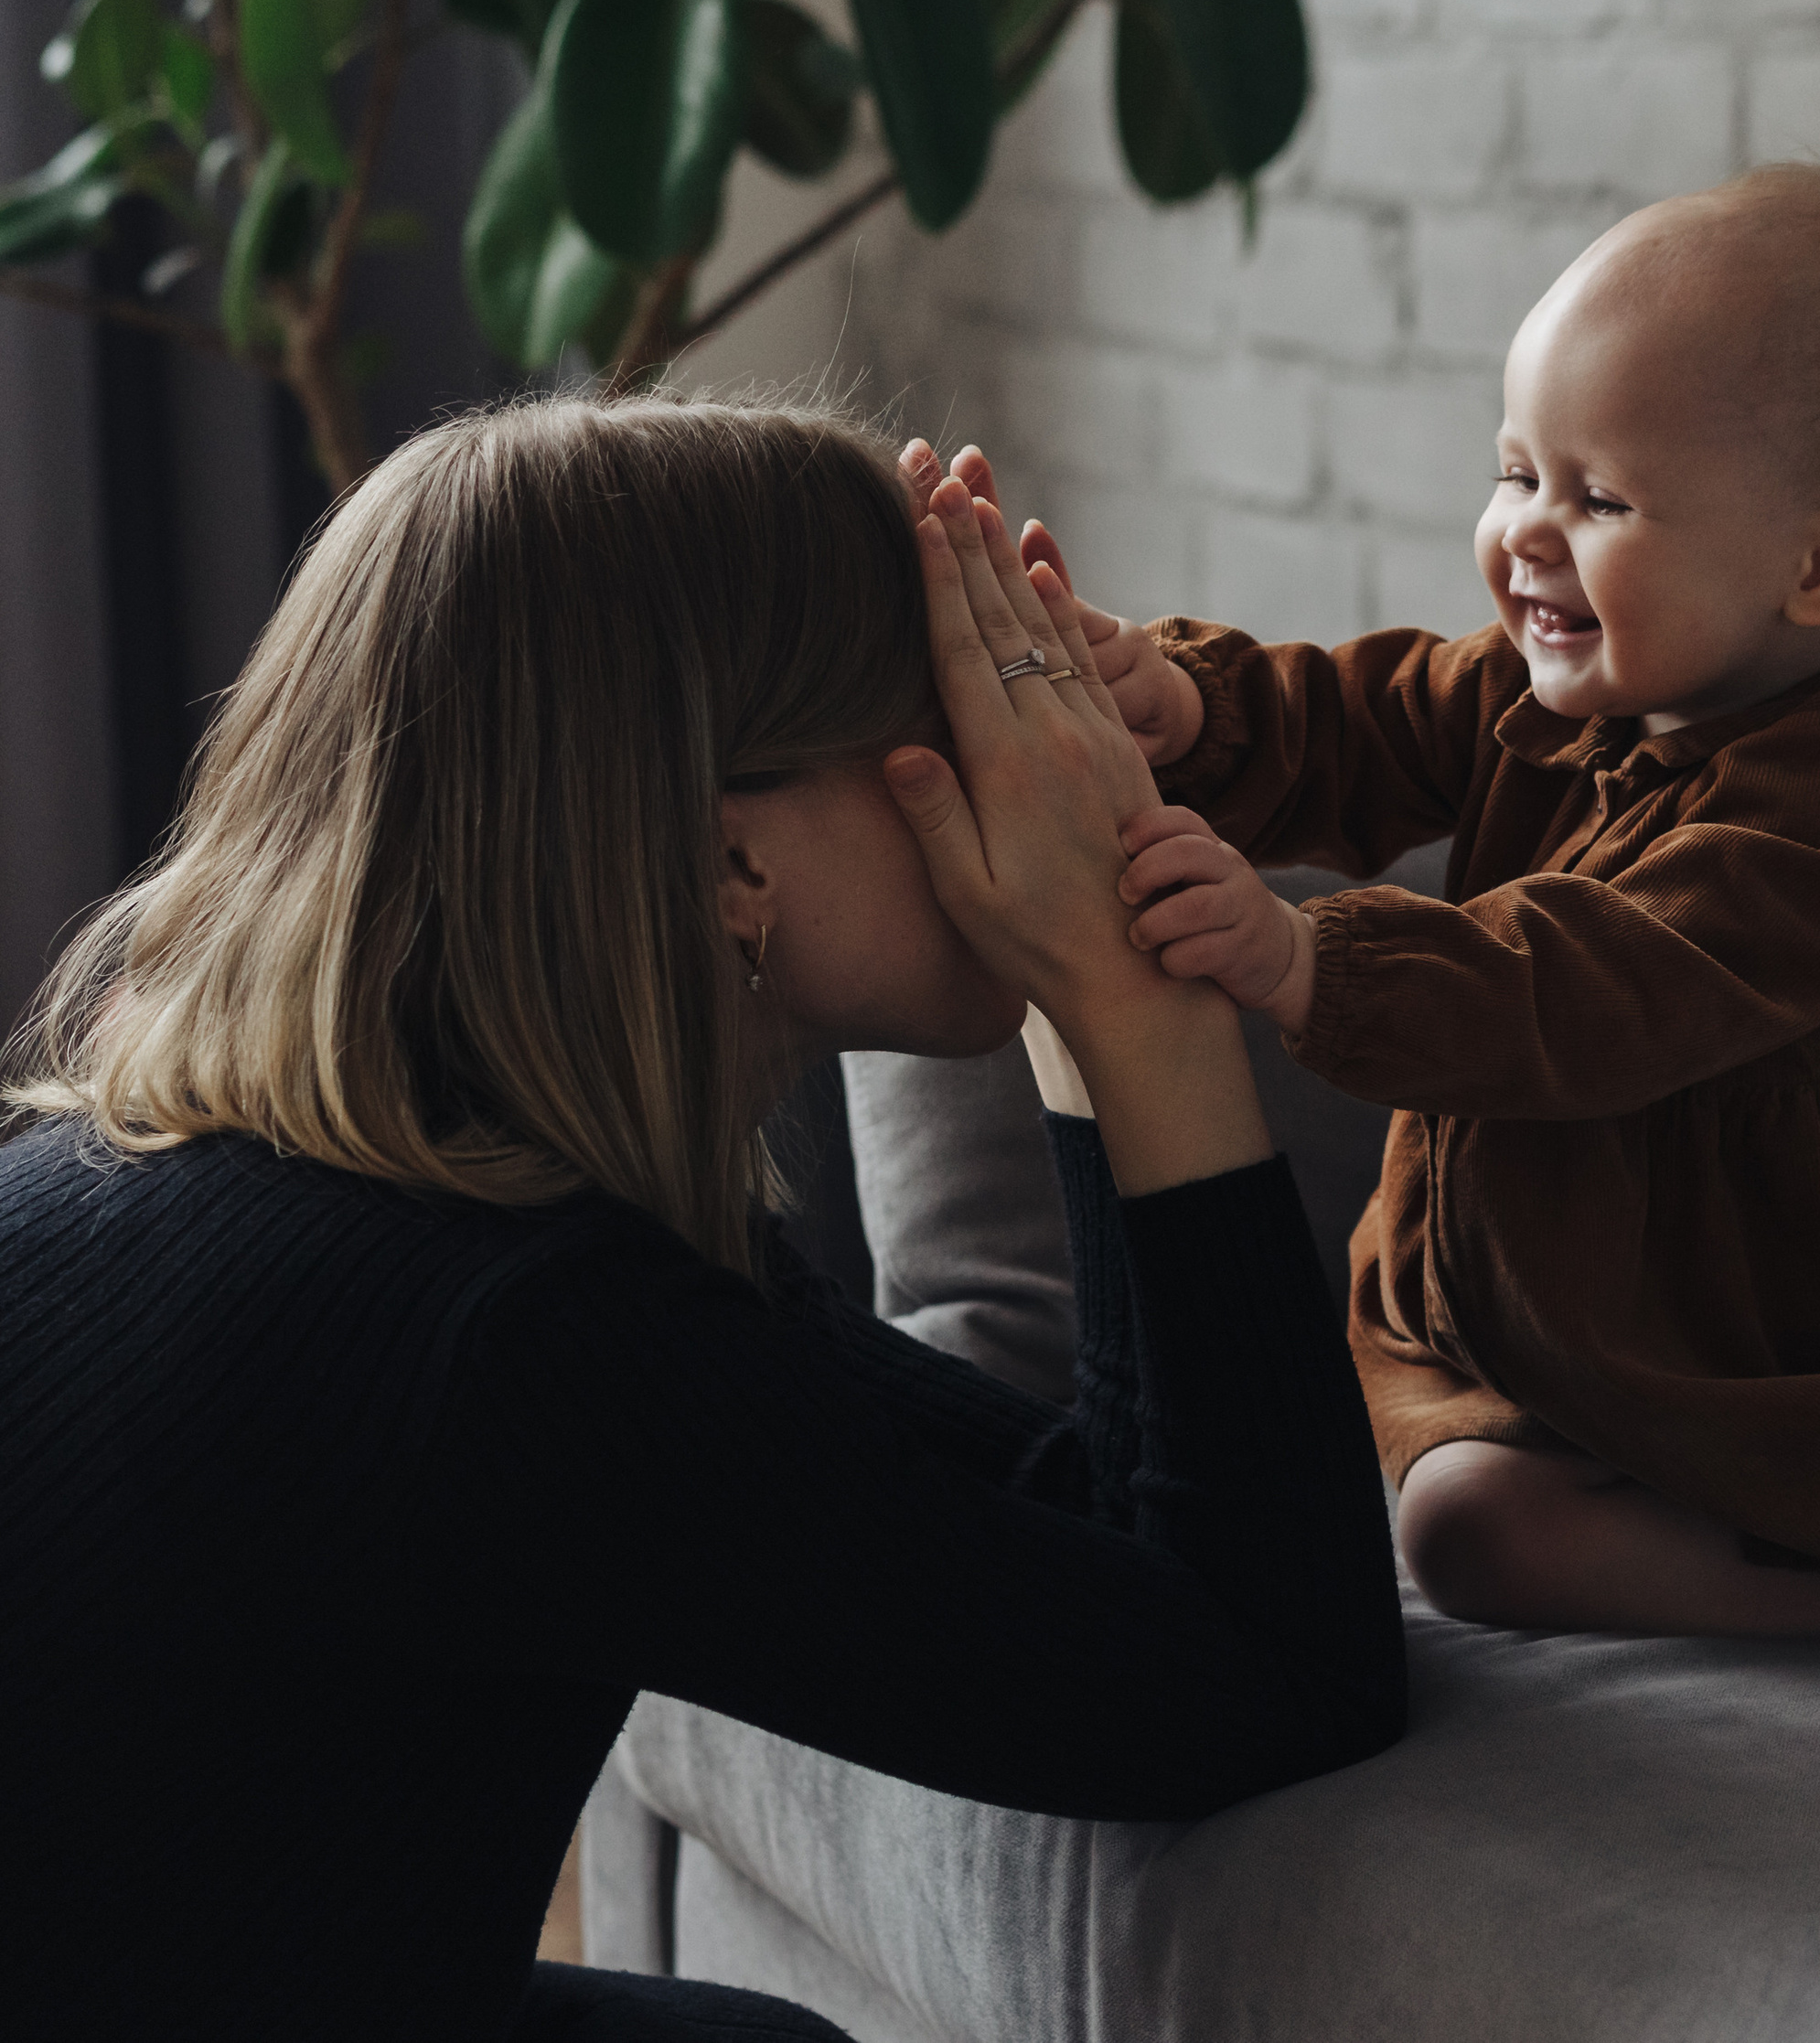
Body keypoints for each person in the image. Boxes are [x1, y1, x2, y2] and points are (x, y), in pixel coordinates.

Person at [0, 396, 1405, 2041]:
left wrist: (1073, 965)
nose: (1053, 786)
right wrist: (1129, 1001)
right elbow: (1277, 1680)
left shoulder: (234, 1179)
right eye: (974, 726)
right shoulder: (522, 1341)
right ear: (736, 857)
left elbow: (1085, 1541)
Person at [1008, 163, 1820, 1644]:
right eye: (1516, 471)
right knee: (1465, 1533)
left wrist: (1312, 958)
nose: (1526, 532)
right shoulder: (1542, 689)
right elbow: (1357, 719)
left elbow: (1602, 980)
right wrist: (1189, 706)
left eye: (1601, 498)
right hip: (1554, 1324)